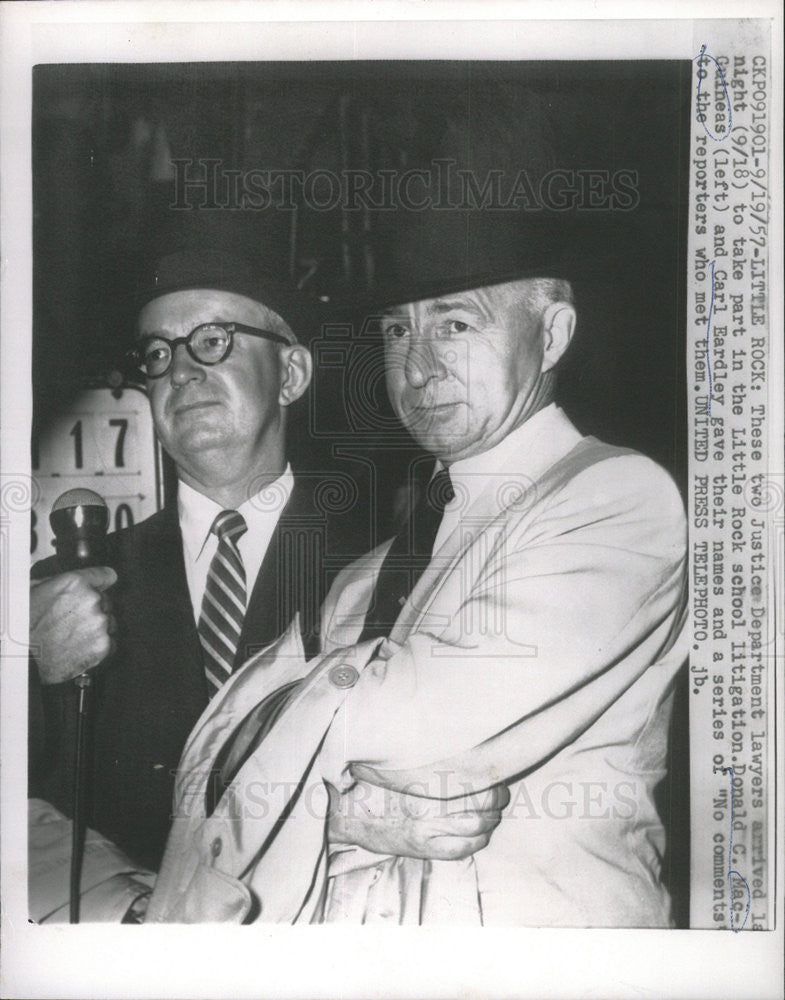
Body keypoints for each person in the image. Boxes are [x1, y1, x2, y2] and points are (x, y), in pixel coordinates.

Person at [140, 211, 688, 928]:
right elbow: (200, 754)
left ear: (550, 334)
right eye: (398, 331)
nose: (417, 366)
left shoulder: (613, 499)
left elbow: (427, 733)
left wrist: (276, 755)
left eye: (455, 325)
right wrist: (337, 812)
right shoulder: (372, 572)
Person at [29, 249, 322, 874]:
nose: (181, 370)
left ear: (291, 373)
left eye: (212, 340)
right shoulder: (65, 590)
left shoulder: (393, 563)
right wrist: (27, 675)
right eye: (158, 354)